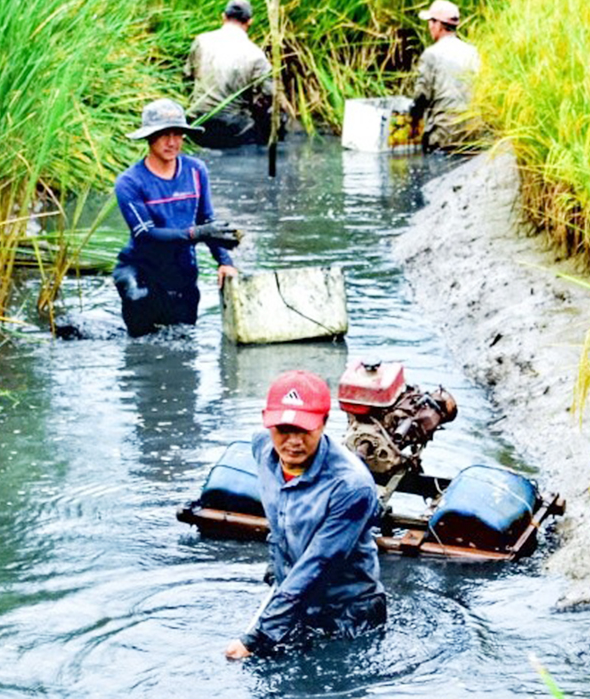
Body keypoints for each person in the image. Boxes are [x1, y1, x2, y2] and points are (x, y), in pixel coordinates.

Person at [225, 370, 386, 659]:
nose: (293, 441)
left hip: (346, 614)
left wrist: (255, 638)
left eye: (304, 430)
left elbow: (320, 564)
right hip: (294, 599)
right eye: (284, 429)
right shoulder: (262, 447)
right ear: (267, 421)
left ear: (324, 423)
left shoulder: (352, 486)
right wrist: (276, 570)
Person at [113, 98, 240, 337]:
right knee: (143, 347)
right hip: (140, 274)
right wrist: (194, 234)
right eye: (164, 135)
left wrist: (224, 262)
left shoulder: (195, 170)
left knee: (183, 344)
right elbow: (146, 235)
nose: (172, 142)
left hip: (182, 272)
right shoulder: (129, 182)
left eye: (178, 134)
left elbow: (206, 220)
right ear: (149, 137)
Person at [185, 0, 275, 148]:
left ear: (223, 17)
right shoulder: (256, 55)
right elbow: (268, 97)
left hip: (197, 123)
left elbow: (187, 77)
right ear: (250, 21)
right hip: (232, 128)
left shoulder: (201, 41)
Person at [410, 0, 482, 154]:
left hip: (444, 137)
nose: (429, 26)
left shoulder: (431, 54)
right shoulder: (472, 52)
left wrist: (413, 117)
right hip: (474, 135)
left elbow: (421, 97)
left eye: (430, 22)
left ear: (438, 25)